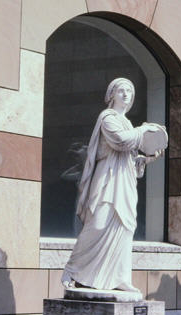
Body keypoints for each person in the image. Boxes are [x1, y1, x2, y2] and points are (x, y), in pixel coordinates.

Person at [61, 78, 163, 293]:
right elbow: (120, 141)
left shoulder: (127, 123)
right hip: (107, 177)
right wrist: (144, 131)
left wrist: (145, 159)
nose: (126, 94)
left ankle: (119, 277)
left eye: (130, 91)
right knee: (98, 223)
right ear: (111, 95)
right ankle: (73, 269)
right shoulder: (107, 117)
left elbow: (129, 157)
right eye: (121, 90)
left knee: (124, 228)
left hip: (124, 180)